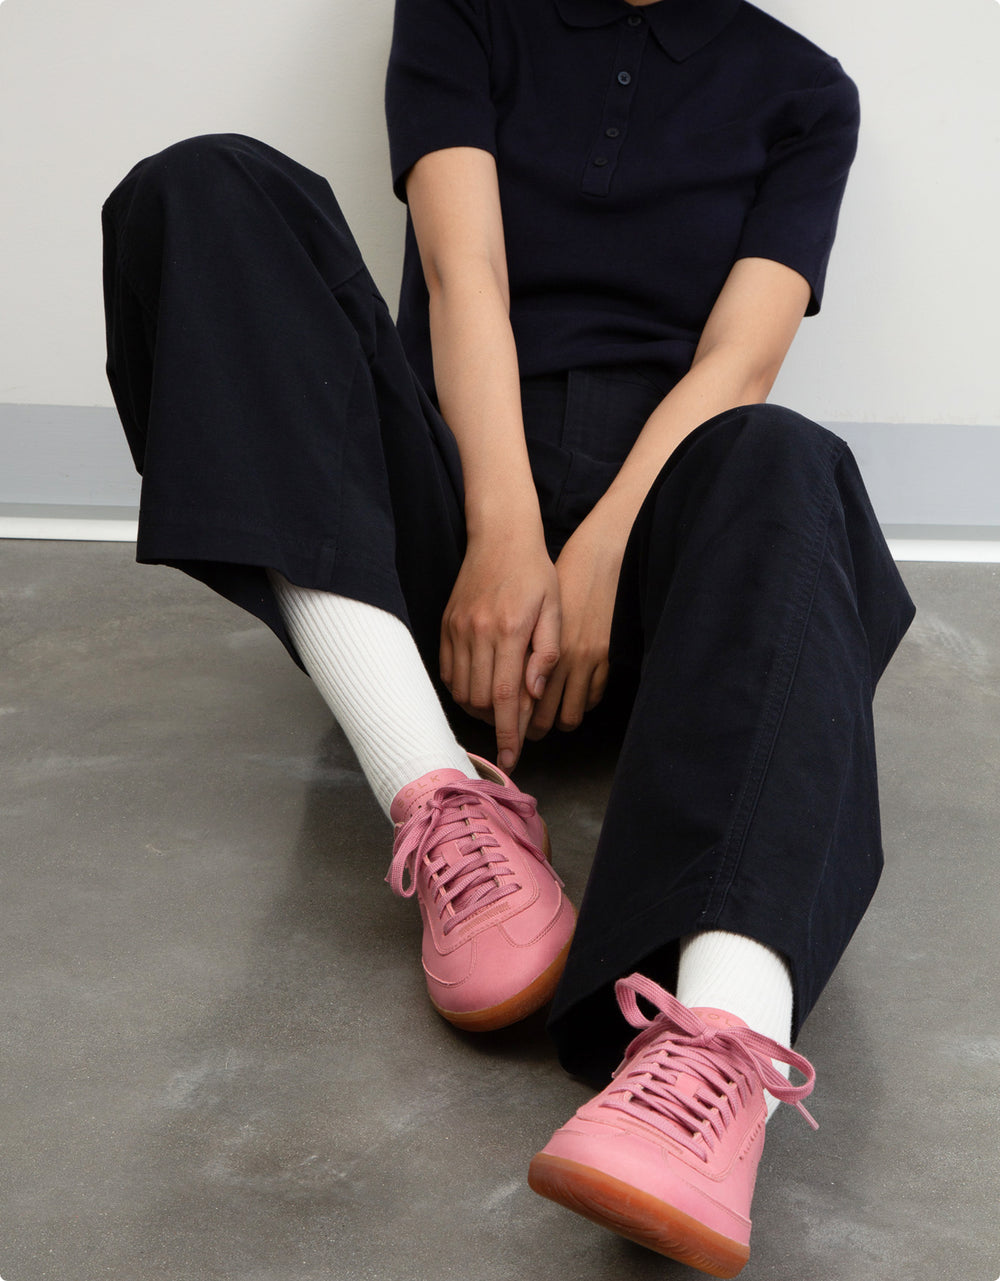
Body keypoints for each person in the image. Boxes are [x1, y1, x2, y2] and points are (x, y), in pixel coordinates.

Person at [101, 0, 915, 1274]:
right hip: (441, 551)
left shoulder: (803, 91)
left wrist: (595, 554)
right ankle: (436, 792)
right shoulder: (462, 14)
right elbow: (463, 276)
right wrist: (504, 536)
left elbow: (734, 364)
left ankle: (715, 1054)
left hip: (654, 576)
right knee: (207, 187)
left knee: (789, 460)